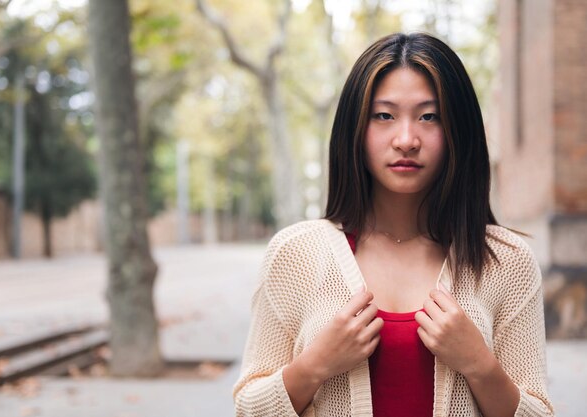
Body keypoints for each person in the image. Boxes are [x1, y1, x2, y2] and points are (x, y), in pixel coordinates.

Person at [233, 32, 554, 417]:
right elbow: (248, 409)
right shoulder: (296, 254)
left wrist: (479, 366)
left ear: (458, 130)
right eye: (384, 116)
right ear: (355, 128)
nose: (406, 139)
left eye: (429, 116)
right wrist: (314, 364)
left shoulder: (507, 261)